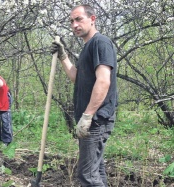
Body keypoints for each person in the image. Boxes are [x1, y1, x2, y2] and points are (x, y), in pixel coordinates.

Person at [51, 4, 118, 187]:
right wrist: (63, 56)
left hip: (97, 119)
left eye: (79, 19)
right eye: (71, 21)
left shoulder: (100, 42)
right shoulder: (88, 47)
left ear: (92, 19)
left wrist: (88, 116)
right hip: (92, 118)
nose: (74, 25)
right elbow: (76, 78)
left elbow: (103, 81)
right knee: (96, 171)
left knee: (87, 174)